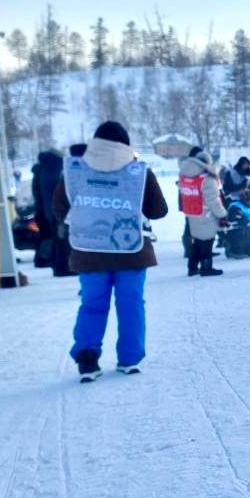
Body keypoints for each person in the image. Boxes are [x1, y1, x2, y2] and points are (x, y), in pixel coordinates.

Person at [53, 121, 169, 382]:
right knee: (131, 305)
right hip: (131, 252)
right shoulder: (138, 171)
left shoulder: (74, 170)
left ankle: (87, 358)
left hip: (89, 250)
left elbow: (59, 208)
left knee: (92, 305)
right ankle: (129, 359)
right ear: (126, 143)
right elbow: (159, 210)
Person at [179, 147, 228, 277]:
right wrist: (223, 214)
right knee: (207, 240)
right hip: (206, 213)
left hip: (192, 212)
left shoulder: (185, 175)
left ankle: (192, 267)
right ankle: (207, 267)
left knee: (198, 240)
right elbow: (213, 200)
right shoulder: (207, 179)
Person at [31, 151, 69, 273]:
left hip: (45, 210)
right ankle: (61, 268)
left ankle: (52, 263)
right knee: (61, 240)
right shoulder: (54, 171)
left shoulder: (42, 171)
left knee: (54, 239)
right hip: (56, 211)